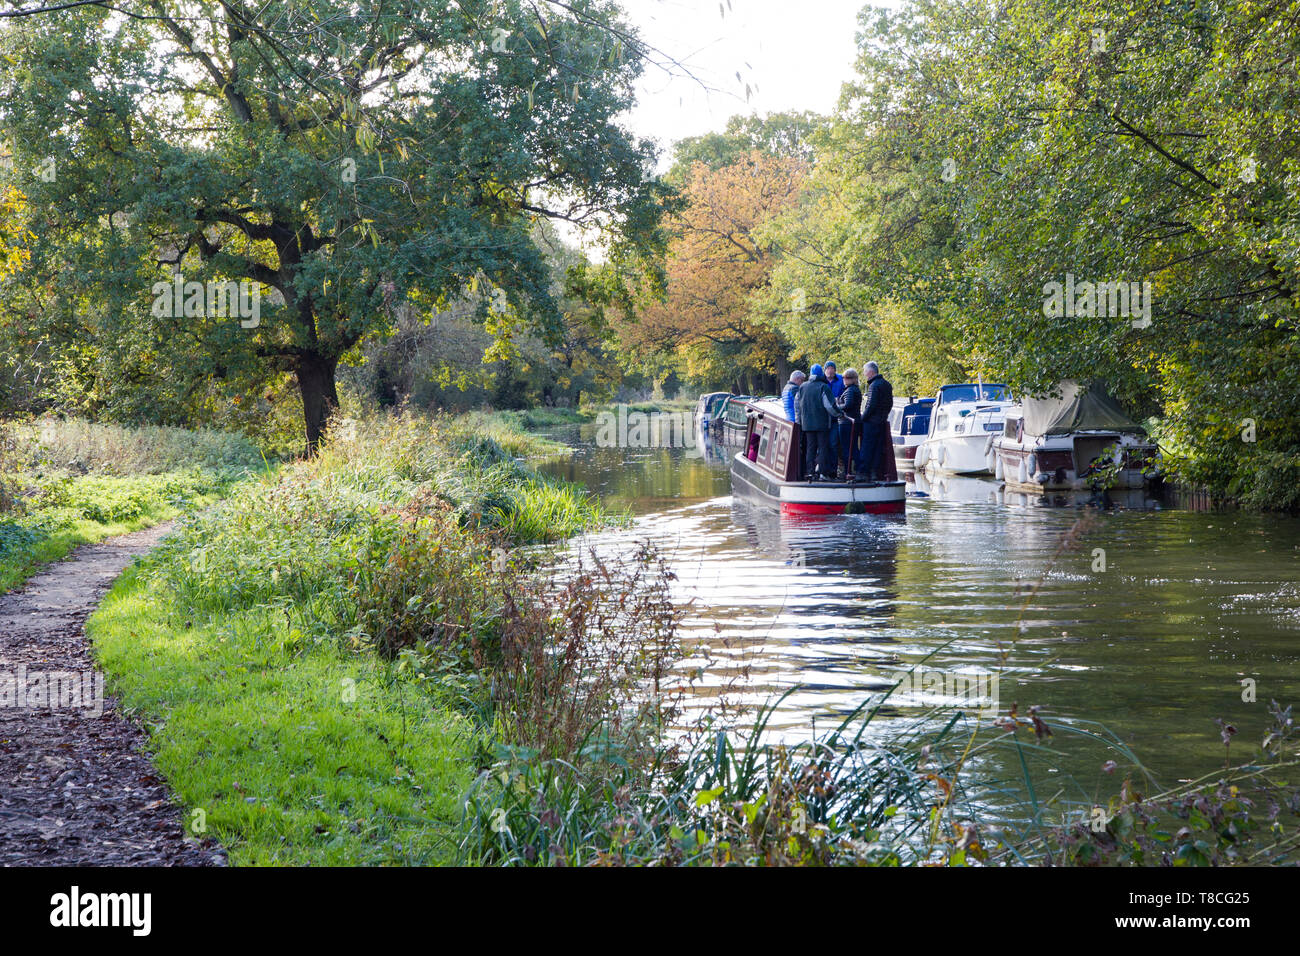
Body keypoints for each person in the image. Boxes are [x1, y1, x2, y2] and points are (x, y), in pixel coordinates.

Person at [797, 364, 839, 481]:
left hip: (807, 425)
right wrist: (840, 414)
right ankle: (822, 473)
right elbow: (829, 406)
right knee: (823, 448)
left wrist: (799, 421)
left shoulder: (802, 387)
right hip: (822, 424)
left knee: (810, 448)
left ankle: (809, 472)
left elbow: (797, 405)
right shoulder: (823, 387)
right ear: (821, 373)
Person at [856, 361, 894, 480]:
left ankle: (863, 473)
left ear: (870, 372)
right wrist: (884, 416)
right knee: (878, 449)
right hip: (881, 421)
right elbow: (890, 403)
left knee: (866, 447)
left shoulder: (873, 386)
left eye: (865, 372)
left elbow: (870, 405)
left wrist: (862, 419)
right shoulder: (887, 385)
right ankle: (875, 473)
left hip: (871, 423)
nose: (864, 374)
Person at [837, 368, 863, 479]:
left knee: (847, 448)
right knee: (852, 447)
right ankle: (856, 469)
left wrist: (837, 406)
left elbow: (848, 405)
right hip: (851, 422)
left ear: (852, 379)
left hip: (847, 423)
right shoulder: (853, 389)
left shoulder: (851, 390)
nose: (843, 380)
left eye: (846, 378)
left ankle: (850, 471)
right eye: (843, 377)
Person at [824, 361, 844, 469]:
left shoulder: (841, 380)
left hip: (835, 418)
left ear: (835, 370)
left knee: (833, 443)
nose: (830, 370)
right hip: (823, 418)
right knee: (823, 445)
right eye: (828, 368)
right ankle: (823, 469)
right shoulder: (821, 381)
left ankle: (833, 470)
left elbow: (845, 394)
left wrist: (839, 400)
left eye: (832, 368)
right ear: (825, 370)